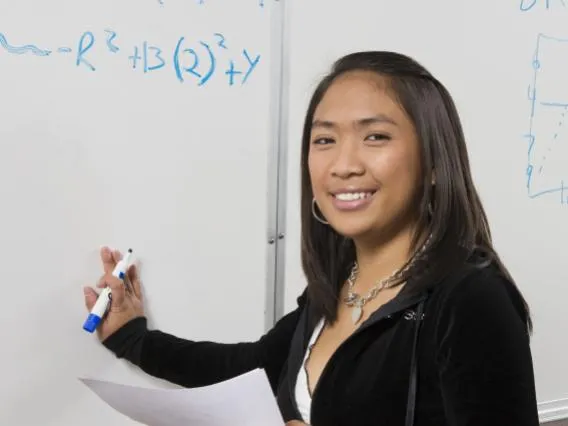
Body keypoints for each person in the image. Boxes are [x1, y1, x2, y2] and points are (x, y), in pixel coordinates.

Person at [84, 51, 540, 426]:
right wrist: (131, 337)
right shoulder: (337, 285)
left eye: (375, 136)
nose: (343, 165)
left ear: (435, 162)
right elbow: (250, 369)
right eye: (324, 141)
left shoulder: (470, 298)